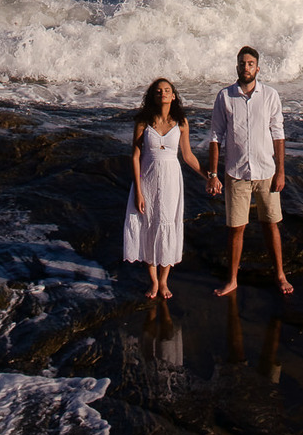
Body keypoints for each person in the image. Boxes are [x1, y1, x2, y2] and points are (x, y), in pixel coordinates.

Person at [206, 46, 293, 297]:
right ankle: (232, 279)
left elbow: (278, 134)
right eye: (242, 63)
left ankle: (280, 274)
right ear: (237, 67)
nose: (246, 67)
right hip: (236, 173)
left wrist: (281, 172)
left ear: (258, 67)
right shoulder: (225, 96)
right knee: (236, 228)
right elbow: (215, 136)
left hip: (267, 171)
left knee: (271, 224)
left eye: (251, 63)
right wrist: (213, 174)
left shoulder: (270, 95)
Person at [123, 76, 204, 299]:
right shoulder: (143, 122)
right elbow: (136, 156)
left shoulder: (181, 122)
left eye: (167, 90)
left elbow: (187, 156)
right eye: (158, 91)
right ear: (152, 96)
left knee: (168, 222)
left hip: (171, 179)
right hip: (147, 177)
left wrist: (208, 176)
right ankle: (153, 282)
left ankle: (165, 280)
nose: (163, 94)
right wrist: (138, 190)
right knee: (148, 224)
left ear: (174, 95)